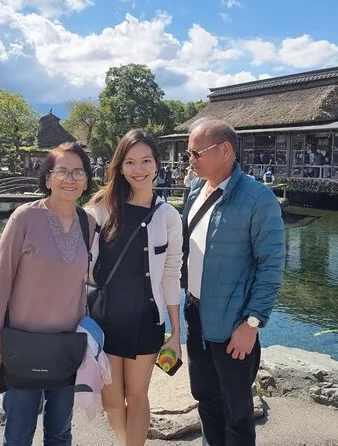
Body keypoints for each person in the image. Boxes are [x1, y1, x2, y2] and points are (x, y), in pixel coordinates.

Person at [0, 142, 95, 446]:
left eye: (78, 172)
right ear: (48, 178)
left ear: (86, 180)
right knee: (18, 435)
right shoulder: (24, 218)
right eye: (62, 171)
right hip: (22, 346)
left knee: (60, 432)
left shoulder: (88, 223)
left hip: (66, 346)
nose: (70, 179)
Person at [183, 119, 285, 446]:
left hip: (233, 324)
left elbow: (271, 266)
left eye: (196, 153)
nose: (190, 160)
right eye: (189, 153)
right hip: (195, 314)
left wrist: (252, 324)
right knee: (206, 399)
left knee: (237, 411)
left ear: (225, 150)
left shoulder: (258, 198)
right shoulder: (195, 191)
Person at [86, 129, 182, 446]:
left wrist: (176, 332)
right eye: (129, 162)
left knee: (138, 396)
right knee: (111, 401)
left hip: (146, 319)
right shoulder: (101, 208)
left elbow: (171, 274)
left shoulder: (168, 216)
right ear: (119, 166)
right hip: (106, 319)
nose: (138, 169)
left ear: (157, 164)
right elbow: (73, 252)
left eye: (145, 161)